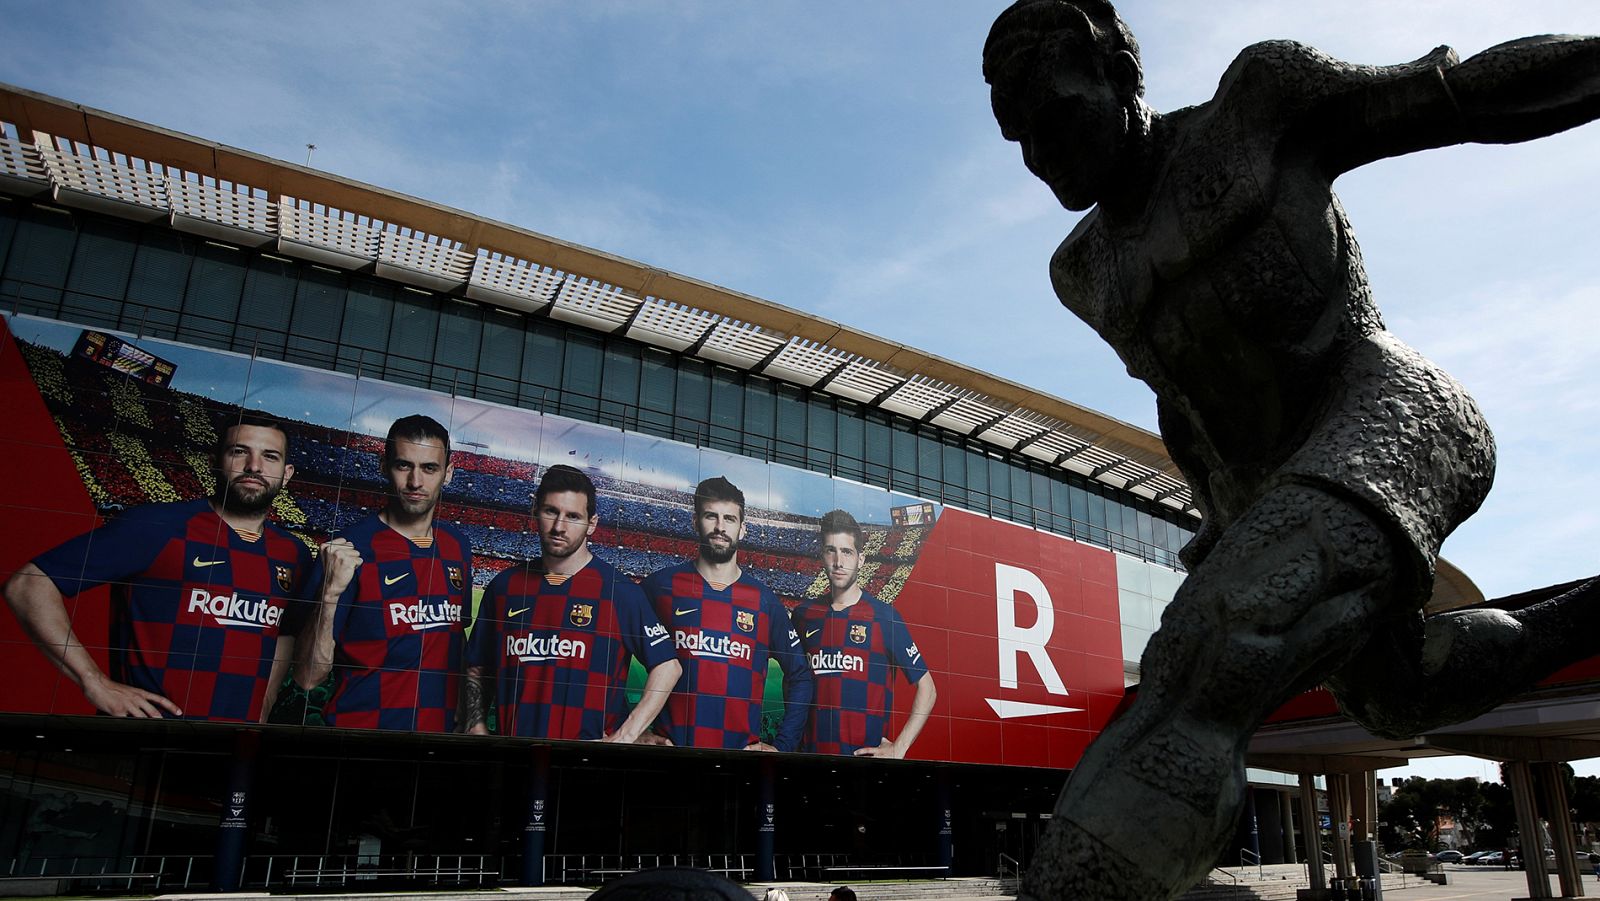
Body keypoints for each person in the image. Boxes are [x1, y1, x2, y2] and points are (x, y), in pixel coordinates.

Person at [983, 3, 1600, 899]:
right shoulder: (1085, 272)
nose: (1044, 155)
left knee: (1206, 653)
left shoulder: (1257, 107)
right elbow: (1186, 400)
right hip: (1281, 479)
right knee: (1400, 693)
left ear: (1121, 77)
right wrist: (1223, 520)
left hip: (1397, 412)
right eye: (1022, 138)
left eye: (1060, 116)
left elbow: (1462, 95)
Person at [3, 414, 309, 721]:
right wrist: (92, 680)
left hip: (235, 745)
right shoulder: (158, 525)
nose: (254, 466)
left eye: (270, 456)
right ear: (215, 461)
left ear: (287, 473)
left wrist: (264, 705)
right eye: (239, 452)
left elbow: (286, 634)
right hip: (145, 736)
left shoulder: (294, 554)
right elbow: (29, 584)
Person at [462, 465, 680, 740]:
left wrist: (627, 734)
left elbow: (668, 666)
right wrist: (475, 723)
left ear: (592, 524)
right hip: (512, 758)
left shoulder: (620, 592)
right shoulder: (504, 587)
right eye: (551, 511)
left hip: (589, 765)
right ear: (535, 511)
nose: (559, 527)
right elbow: (477, 666)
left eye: (573, 516)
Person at [293, 414, 473, 732]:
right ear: (383, 466)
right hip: (361, 735)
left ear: (448, 474)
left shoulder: (457, 546)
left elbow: (454, 636)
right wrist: (329, 593)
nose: (416, 482)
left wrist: (462, 712)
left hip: (438, 737)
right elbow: (308, 677)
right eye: (404, 465)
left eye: (429, 468)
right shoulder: (348, 548)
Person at [640, 476, 813, 750]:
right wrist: (628, 729)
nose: (720, 527)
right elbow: (610, 652)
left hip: (740, 764)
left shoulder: (764, 601)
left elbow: (801, 675)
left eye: (730, 519)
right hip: (671, 757)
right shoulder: (659, 587)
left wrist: (782, 746)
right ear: (696, 522)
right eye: (711, 516)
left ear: (742, 529)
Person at [793, 509, 935, 758]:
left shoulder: (884, 617)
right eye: (831, 550)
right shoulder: (804, 615)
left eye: (847, 552)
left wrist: (899, 747)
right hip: (810, 760)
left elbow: (928, 688)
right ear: (822, 555)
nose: (838, 562)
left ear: (861, 559)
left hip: (864, 767)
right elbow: (793, 680)